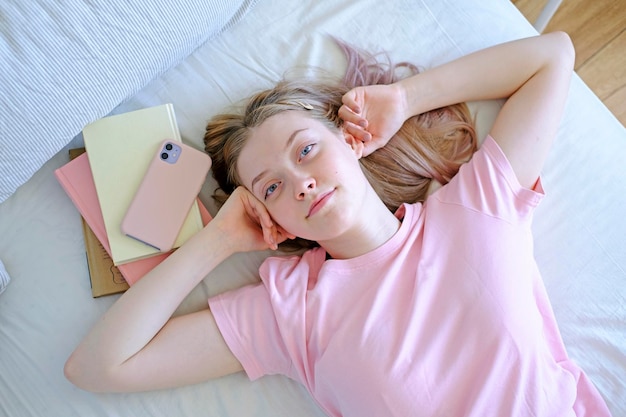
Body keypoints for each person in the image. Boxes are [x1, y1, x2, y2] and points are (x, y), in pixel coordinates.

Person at [64, 32, 612, 416]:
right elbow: (97, 368)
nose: (300, 182)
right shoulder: (289, 312)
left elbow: (551, 56)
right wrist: (219, 241)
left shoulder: (473, 208)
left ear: (351, 143)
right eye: (272, 187)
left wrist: (402, 99)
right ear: (269, 215)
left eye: (306, 150)